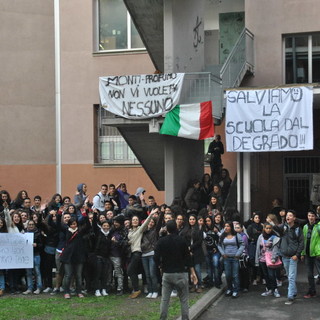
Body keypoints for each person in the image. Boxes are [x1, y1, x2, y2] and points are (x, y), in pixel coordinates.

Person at [154, 220, 198, 320]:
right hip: (181, 273)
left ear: (166, 229)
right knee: (184, 299)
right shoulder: (182, 240)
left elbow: (155, 257)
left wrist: (160, 266)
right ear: (176, 228)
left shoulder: (161, 241)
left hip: (167, 273)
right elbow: (188, 257)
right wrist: (192, 272)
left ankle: (162, 318)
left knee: (165, 299)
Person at [279, 210, 304, 305]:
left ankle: (290, 297)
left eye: (290, 215)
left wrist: (297, 254)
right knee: (289, 275)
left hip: (293, 256)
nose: (288, 217)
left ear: (294, 218)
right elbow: (275, 228)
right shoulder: (283, 227)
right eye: (287, 215)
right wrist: (281, 218)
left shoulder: (298, 229)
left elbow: (301, 243)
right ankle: (294, 292)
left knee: (292, 276)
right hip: (285, 255)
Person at [218, 221, 244, 298]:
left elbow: (242, 244)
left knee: (235, 275)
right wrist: (223, 253)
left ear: (231, 227)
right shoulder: (222, 236)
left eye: (228, 226)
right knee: (228, 275)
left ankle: (236, 290)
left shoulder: (237, 235)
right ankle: (229, 288)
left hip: (235, 258)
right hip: (226, 258)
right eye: (225, 226)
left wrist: (238, 254)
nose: (226, 228)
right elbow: (219, 245)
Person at [255, 223, 281, 298]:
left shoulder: (274, 237)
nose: (268, 230)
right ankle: (269, 289)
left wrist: (274, 258)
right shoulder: (261, 237)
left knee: (271, 275)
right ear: (264, 229)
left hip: (270, 259)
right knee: (265, 275)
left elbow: (276, 249)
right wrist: (257, 259)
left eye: (270, 228)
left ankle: (275, 289)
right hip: (262, 258)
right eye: (267, 228)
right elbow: (258, 248)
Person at [301, 210, 320, 298]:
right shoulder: (305, 227)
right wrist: (302, 252)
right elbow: (303, 240)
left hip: (317, 254)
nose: (311, 217)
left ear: (315, 217)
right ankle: (312, 291)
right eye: (309, 216)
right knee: (309, 274)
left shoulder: (318, 226)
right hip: (308, 253)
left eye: (312, 216)